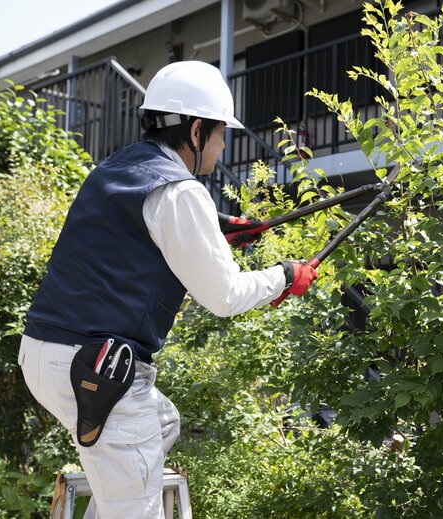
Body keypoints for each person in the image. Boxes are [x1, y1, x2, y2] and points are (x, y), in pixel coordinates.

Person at [18, 60, 317, 518]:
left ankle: (116, 501)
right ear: (196, 131)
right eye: (220, 135)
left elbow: (137, 230)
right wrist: (284, 275)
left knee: (162, 424)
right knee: (138, 508)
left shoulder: (114, 168)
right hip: (98, 368)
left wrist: (216, 228)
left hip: (44, 354)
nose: (221, 146)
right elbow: (225, 296)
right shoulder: (181, 191)